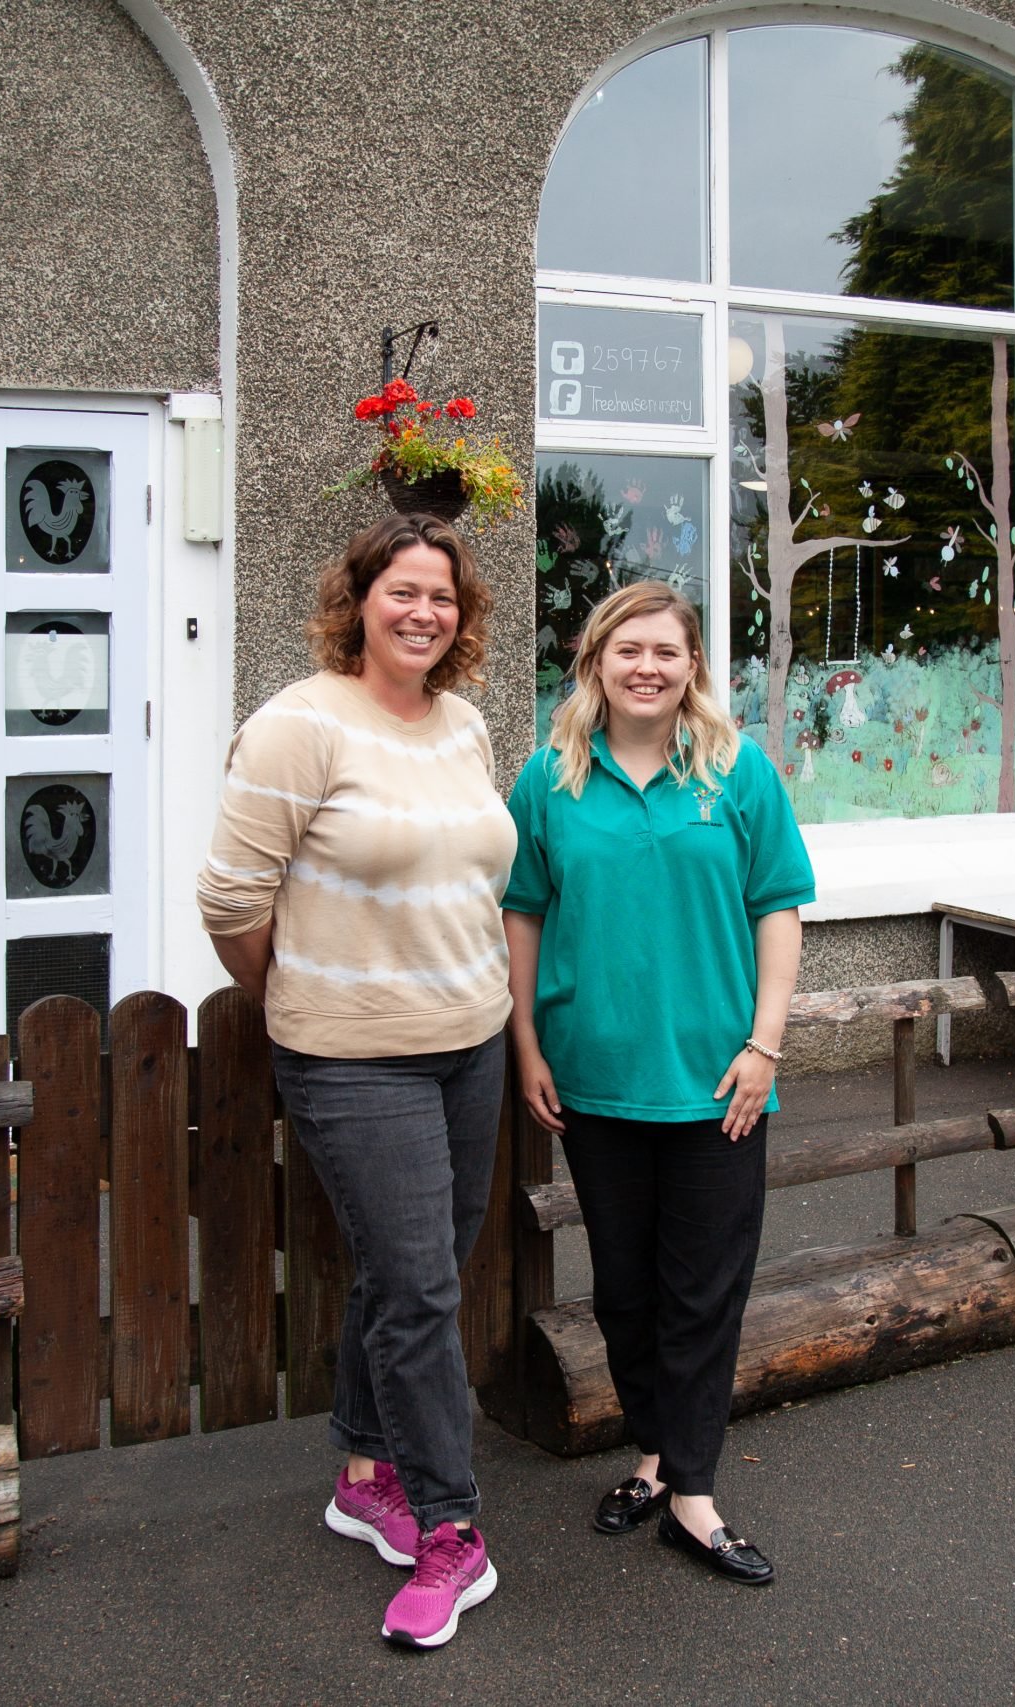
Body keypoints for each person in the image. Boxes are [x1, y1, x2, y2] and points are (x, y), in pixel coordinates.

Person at [196, 512, 515, 1649]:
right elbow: (232, 903)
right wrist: (305, 992)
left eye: (442, 596)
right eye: (402, 592)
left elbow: (477, 875)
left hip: (469, 1036)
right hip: (351, 1056)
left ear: (461, 615)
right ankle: (449, 1525)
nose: (423, 612)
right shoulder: (297, 726)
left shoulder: (466, 726)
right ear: (359, 601)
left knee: (410, 1270)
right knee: (422, 1287)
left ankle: (363, 1472)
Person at [502, 579, 812, 1588]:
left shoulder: (736, 773)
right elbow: (522, 916)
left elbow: (777, 909)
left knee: (701, 1293)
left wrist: (764, 1047)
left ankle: (692, 1494)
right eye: (626, 650)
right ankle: (649, 1455)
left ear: (692, 669)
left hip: (719, 1083)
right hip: (593, 1081)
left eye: (665, 653)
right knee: (627, 1292)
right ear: (594, 661)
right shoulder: (548, 779)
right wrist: (526, 1047)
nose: (646, 667)